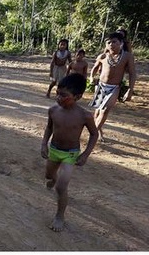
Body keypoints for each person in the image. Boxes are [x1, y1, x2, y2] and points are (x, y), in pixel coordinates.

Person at [41, 73, 99, 232]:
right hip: (54, 150)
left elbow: (94, 134)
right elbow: (49, 128)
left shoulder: (84, 116)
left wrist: (85, 154)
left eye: (64, 95)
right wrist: (43, 145)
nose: (59, 98)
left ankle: (60, 216)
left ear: (78, 96)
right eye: (57, 93)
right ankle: (52, 180)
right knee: (49, 176)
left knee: (61, 187)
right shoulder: (53, 110)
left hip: (70, 154)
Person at [88, 32, 137, 142]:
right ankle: (98, 132)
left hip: (114, 88)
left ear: (121, 43)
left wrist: (130, 90)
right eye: (108, 42)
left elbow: (132, 74)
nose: (111, 44)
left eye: (114, 42)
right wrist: (91, 77)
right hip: (101, 86)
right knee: (97, 111)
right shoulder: (103, 56)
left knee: (105, 110)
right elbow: (94, 68)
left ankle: (93, 134)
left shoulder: (127, 56)